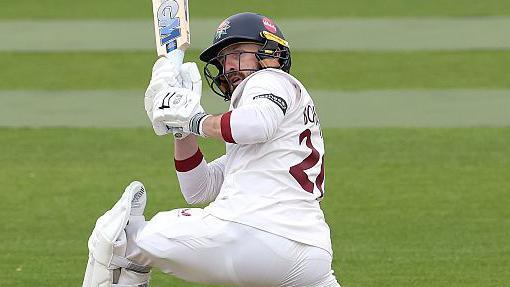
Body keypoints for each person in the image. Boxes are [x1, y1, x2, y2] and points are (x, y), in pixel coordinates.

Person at [82, 12, 341, 287]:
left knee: (118, 238)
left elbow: (255, 125)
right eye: (224, 57)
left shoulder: (270, 80)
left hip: (255, 233)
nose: (229, 65)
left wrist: (194, 119)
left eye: (238, 52)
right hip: (311, 253)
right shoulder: (275, 141)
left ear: (272, 54)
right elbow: (198, 189)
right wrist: (181, 129)